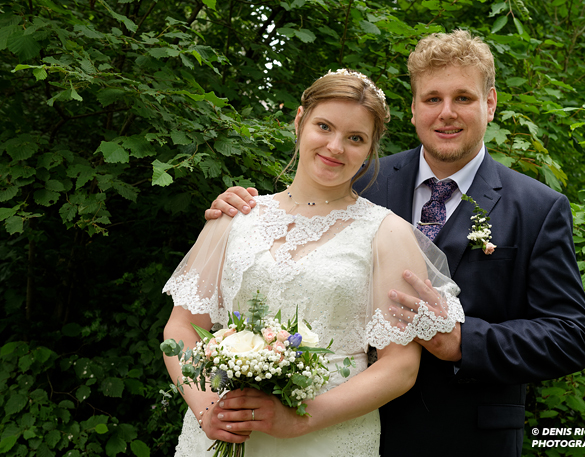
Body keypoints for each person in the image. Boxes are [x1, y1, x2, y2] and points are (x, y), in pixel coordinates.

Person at [205, 30, 585, 456]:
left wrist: (464, 341)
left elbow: (570, 336)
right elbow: (296, 223)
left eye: (463, 98)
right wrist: (239, 207)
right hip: (347, 428)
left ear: (491, 104)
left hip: (466, 439)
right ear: (413, 109)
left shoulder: (537, 207)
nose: (446, 113)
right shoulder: (362, 178)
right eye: (432, 99)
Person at [162, 68, 464, 456]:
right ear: (300, 120)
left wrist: (300, 419)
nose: (336, 147)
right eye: (324, 126)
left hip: (329, 436)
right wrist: (207, 409)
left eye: (355, 138)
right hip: (224, 429)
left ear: (371, 149)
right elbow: (183, 325)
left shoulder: (388, 234)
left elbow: (400, 367)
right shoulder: (236, 216)